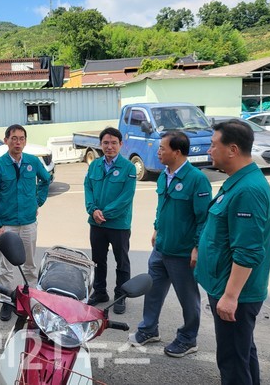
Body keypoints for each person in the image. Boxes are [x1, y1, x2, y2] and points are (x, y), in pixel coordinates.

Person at [195, 119, 270, 385]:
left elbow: (248, 251)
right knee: (242, 353)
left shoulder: (248, 190)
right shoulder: (238, 182)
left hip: (237, 295)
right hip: (227, 287)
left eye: (212, 145)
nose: (209, 150)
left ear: (232, 149)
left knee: (232, 360)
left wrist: (230, 296)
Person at [129, 131, 212, 357]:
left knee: (188, 298)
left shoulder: (197, 179)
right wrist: (157, 227)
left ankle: (188, 338)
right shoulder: (165, 175)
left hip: (182, 252)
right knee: (153, 291)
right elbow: (162, 207)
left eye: (162, 148)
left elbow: (204, 218)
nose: (158, 152)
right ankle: (149, 329)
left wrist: (197, 247)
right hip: (161, 248)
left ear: (177, 152)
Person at [0, 124, 51, 321]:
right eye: (14, 138)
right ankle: (7, 302)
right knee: (6, 268)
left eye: (21, 138)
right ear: (6, 140)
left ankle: (30, 301)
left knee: (30, 265)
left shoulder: (32, 161)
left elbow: (46, 180)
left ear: (25, 141)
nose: (18, 142)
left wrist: (37, 201)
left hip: (28, 222)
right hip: (7, 225)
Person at [84, 127, 136, 314]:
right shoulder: (94, 165)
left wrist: (104, 213)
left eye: (114, 143)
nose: (109, 146)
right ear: (100, 144)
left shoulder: (128, 168)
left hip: (118, 224)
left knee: (121, 261)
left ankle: (121, 295)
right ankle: (100, 292)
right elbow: (88, 189)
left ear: (121, 144)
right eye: (106, 142)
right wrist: (93, 210)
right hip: (96, 223)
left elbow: (126, 197)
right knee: (98, 260)